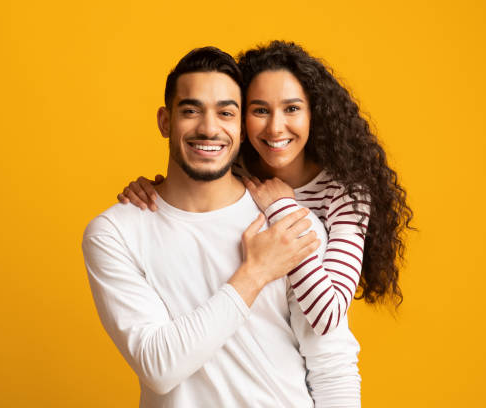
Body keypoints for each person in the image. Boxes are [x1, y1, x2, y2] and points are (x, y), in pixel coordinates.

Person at [83, 46, 362, 407]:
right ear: (165, 121)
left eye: (225, 113)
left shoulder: (290, 223)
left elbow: (332, 367)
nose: (209, 128)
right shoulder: (114, 233)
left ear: (242, 128)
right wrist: (255, 272)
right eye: (191, 111)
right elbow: (158, 366)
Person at [118, 41, 414, 335]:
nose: (275, 127)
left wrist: (283, 208)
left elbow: (328, 315)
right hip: (243, 339)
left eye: (292, 109)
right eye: (260, 110)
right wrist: (152, 191)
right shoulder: (232, 167)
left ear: (314, 114)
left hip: (309, 362)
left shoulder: (344, 194)